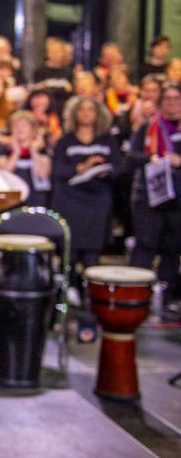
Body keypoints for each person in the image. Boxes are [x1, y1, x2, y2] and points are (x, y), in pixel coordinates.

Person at [51, 96, 119, 318]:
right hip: (71, 200)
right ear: (74, 114)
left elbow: (120, 168)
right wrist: (81, 167)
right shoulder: (66, 141)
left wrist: (104, 170)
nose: (87, 114)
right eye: (82, 110)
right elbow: (57, 170)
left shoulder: (107, 140)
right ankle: (68, 292)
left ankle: (92, 298)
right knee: (69, 251)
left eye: (91, 109)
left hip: (97, 201)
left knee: (92, 253)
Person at [128, 82, 181, 313]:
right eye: (167, 99)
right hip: (149, 195)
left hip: (178, 197)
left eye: (176, 99)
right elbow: (131, 156)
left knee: (173, 247)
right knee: (145, 245)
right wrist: (150, 159)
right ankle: (134, 292)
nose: (171, 103)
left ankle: (166, 295)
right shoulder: (150, 125)